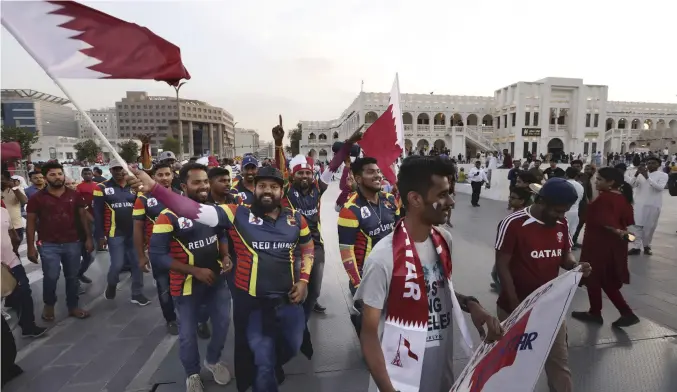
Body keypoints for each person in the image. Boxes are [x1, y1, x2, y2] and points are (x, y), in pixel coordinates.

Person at [127, 165, 314, 392]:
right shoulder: (236, 213)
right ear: (253, 189)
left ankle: (271, 363)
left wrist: (303, 280)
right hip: (253, 304)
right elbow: (191, 209)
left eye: (274, 187)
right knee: (261, 359)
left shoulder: (296, 219)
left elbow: (307, 248)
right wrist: (155, 188)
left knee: (292, 346)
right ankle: (211, 373)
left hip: (287, 301)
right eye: (262, 186)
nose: (267, 191)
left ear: (281, 192)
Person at [356, 155, 503, 392]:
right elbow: (369, 333)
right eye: (443, 194)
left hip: (441, 375)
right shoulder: (382, 259)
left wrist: (472, 305)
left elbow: (437, 287)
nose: (452, 202)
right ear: (415, 198)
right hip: (400, 380)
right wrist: (387, 389)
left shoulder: (443, 240)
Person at [495, 177, 592, 392]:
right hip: (515, 308)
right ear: (541, 201)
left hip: (550, 308)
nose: (560, 217)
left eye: (564, 212)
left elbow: (565, 258)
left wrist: (577, 268)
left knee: (559, 364)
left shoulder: (562, 223)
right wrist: (515, 306)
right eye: (557, 211)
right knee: (515, 365)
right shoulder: (513, 223)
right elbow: (502, 265)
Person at [149, 163, 232, 390]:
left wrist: (225, 256)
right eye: (197, 182)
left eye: (206, 181)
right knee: (187, 334)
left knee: (223, 323)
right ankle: (192, 373)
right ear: (184, 185)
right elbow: (157, 256)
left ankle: (213, 361)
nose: (204, 186)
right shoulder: (167, 216)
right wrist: (194, 271)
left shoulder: (213, 211)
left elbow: (222, 234)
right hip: (185, 285)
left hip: (216, 280)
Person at [571, 167, 639, 328]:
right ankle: (624, 313)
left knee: (593, 276)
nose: (596, 181)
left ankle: (597, 313)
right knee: (606, 280)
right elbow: (627, 220)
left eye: (600, 179)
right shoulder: (623, 198)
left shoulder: (605, 199)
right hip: (614, 246)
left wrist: (615, 230)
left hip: (600, 245)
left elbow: (606, 222)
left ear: (611, 182)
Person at [25, 162, 93, 320]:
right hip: (48, 244)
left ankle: (73, 306)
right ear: (46, 177)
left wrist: (88, 238)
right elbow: (30, 223)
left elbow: (83, 217)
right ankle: (49, 305)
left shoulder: (74, 195)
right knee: (51, 276)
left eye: (60, 174)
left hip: (73, 242)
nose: (57, 177)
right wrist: (30, 247)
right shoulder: (37, 198)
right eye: (53, 174)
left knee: (72, 276)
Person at [134, 163, 186, 336]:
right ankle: (170, 319)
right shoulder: (143, 199)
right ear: (153, 177)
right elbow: (137, 228)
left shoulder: (182, 195)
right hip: (159, 253)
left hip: (184, 251)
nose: (164, 178)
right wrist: (141, 256)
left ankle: (198, 320)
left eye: (167, 174)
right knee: (164, 288)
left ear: (173, 176)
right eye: (160, 175)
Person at [94, 159, 149, 305]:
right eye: (115, 169)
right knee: (117, 265)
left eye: (121, 168)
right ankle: (112, 284)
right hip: (114, 233)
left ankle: (137, 294)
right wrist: (100, 235)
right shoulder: (101, 187)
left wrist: (145, 233)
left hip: (134, 232)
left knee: (138, 263)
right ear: (110, 170)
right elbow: (97, 213)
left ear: (126, 169)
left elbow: (144, 210)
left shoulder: (135, 186)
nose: (119, 172)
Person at [2, 204, 46, 337]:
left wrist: (14, 249)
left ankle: (28, 326)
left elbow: (12, 234)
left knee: (24, 291)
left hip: (12, 261)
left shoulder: (3, 211)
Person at [490, 186, 533, 291]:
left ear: (522, 201)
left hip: (511, 256)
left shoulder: (521, 218)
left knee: (498, 274)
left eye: (513, 198)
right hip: (508, 254)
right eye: (510, 197)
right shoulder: (516, 215)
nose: (509, 199)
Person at [628, 157, 668, 255]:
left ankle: (646, 246)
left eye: (653, 163)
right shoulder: (640, 175)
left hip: (653, 205)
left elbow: (660, 188)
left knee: (649, 227)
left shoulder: (663, 175)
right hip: (639, 204)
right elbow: (632, 185)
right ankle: (636, 246)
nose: (650, 165)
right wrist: (637, 174)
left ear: (658, 165)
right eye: (648, 163)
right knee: (636, 226)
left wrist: (647, 177)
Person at [75, 167, 99, 283]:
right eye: (85, 173)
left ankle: (79, 273)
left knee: (92, 254)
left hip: (98, 221)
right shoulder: (79, 188)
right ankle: (78, 274)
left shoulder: (98, 186)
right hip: (87, 223)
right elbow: (81, 208)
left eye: (89, 173)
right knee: (90, 255)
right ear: (82, 175)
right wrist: (92, 220)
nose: (88, 175)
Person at [1, 170, 27, 243]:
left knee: (15, 250)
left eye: (2, 179)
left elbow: (24, 201)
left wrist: (13, 188)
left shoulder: (17, 189)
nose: (1, 181)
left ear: (8, 180)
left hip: (16, 226)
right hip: (1, 227)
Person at [564, 167, 584, 239]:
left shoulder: (564, 184)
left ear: (565, 174)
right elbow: (580, 199)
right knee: (570, 234)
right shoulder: (580, 186)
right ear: (576, 176)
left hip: (563, 212)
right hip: (575, 212)